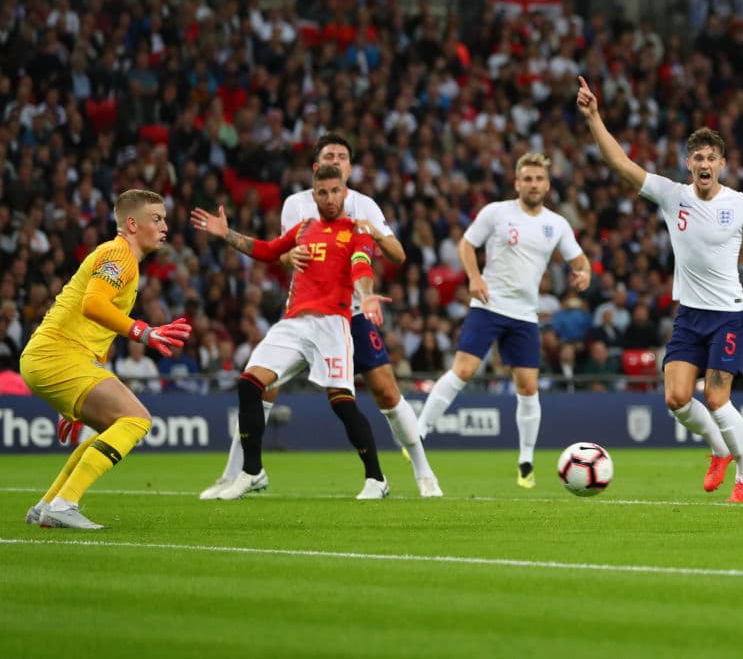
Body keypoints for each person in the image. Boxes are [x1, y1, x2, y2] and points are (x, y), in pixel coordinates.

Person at [577, 76, 743, 503]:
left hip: (729, 313)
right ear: (688, 164)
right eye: (697, 157)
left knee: (715, 397)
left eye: (712, 157)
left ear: (723, 164)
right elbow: (621, 164)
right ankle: (719, 449)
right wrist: (594, 118)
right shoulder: (673, 196)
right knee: (675, 398)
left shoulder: (741, 204)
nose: (704, 163)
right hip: (690, 315)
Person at [199, 133, 442, 499]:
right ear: (315, 177)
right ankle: (243, 472)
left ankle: (416, 474)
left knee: (377, 393)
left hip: (346, 317)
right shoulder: (298, 213)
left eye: (343, 157)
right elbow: (275, 252)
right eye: (330, 156)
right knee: (256, 386)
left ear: (347, 177)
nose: (337, 164)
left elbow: (372, 262)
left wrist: (368, 291)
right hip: (297, 314)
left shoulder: (363, 214)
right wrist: (231, 236)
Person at [415, 153, 592, 488]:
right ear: (516, 183)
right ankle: (419, 432)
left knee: (527, 387)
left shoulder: (556, 224)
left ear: (548, 184)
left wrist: (583, 275)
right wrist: (474, 277)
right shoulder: (496, 213)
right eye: (527, 179)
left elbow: (581, 261)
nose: (533, 185)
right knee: (464, 370)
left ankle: (525, 460)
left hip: (525, 315)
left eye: (539, 179)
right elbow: (466, 245)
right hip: (488, 305)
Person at [21, 189, 192, 529]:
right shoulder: (120, 255)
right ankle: (64, 503)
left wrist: (70, 402)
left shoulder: (119, 258)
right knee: (137, 419)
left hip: (55, 357)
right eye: (156, 219)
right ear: (132, 223)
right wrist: (145, 332)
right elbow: (93, 305)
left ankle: (47, 506)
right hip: (57, 354)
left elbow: (93, 328)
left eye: (165, 219)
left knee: (112, 425)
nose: (165, 227)